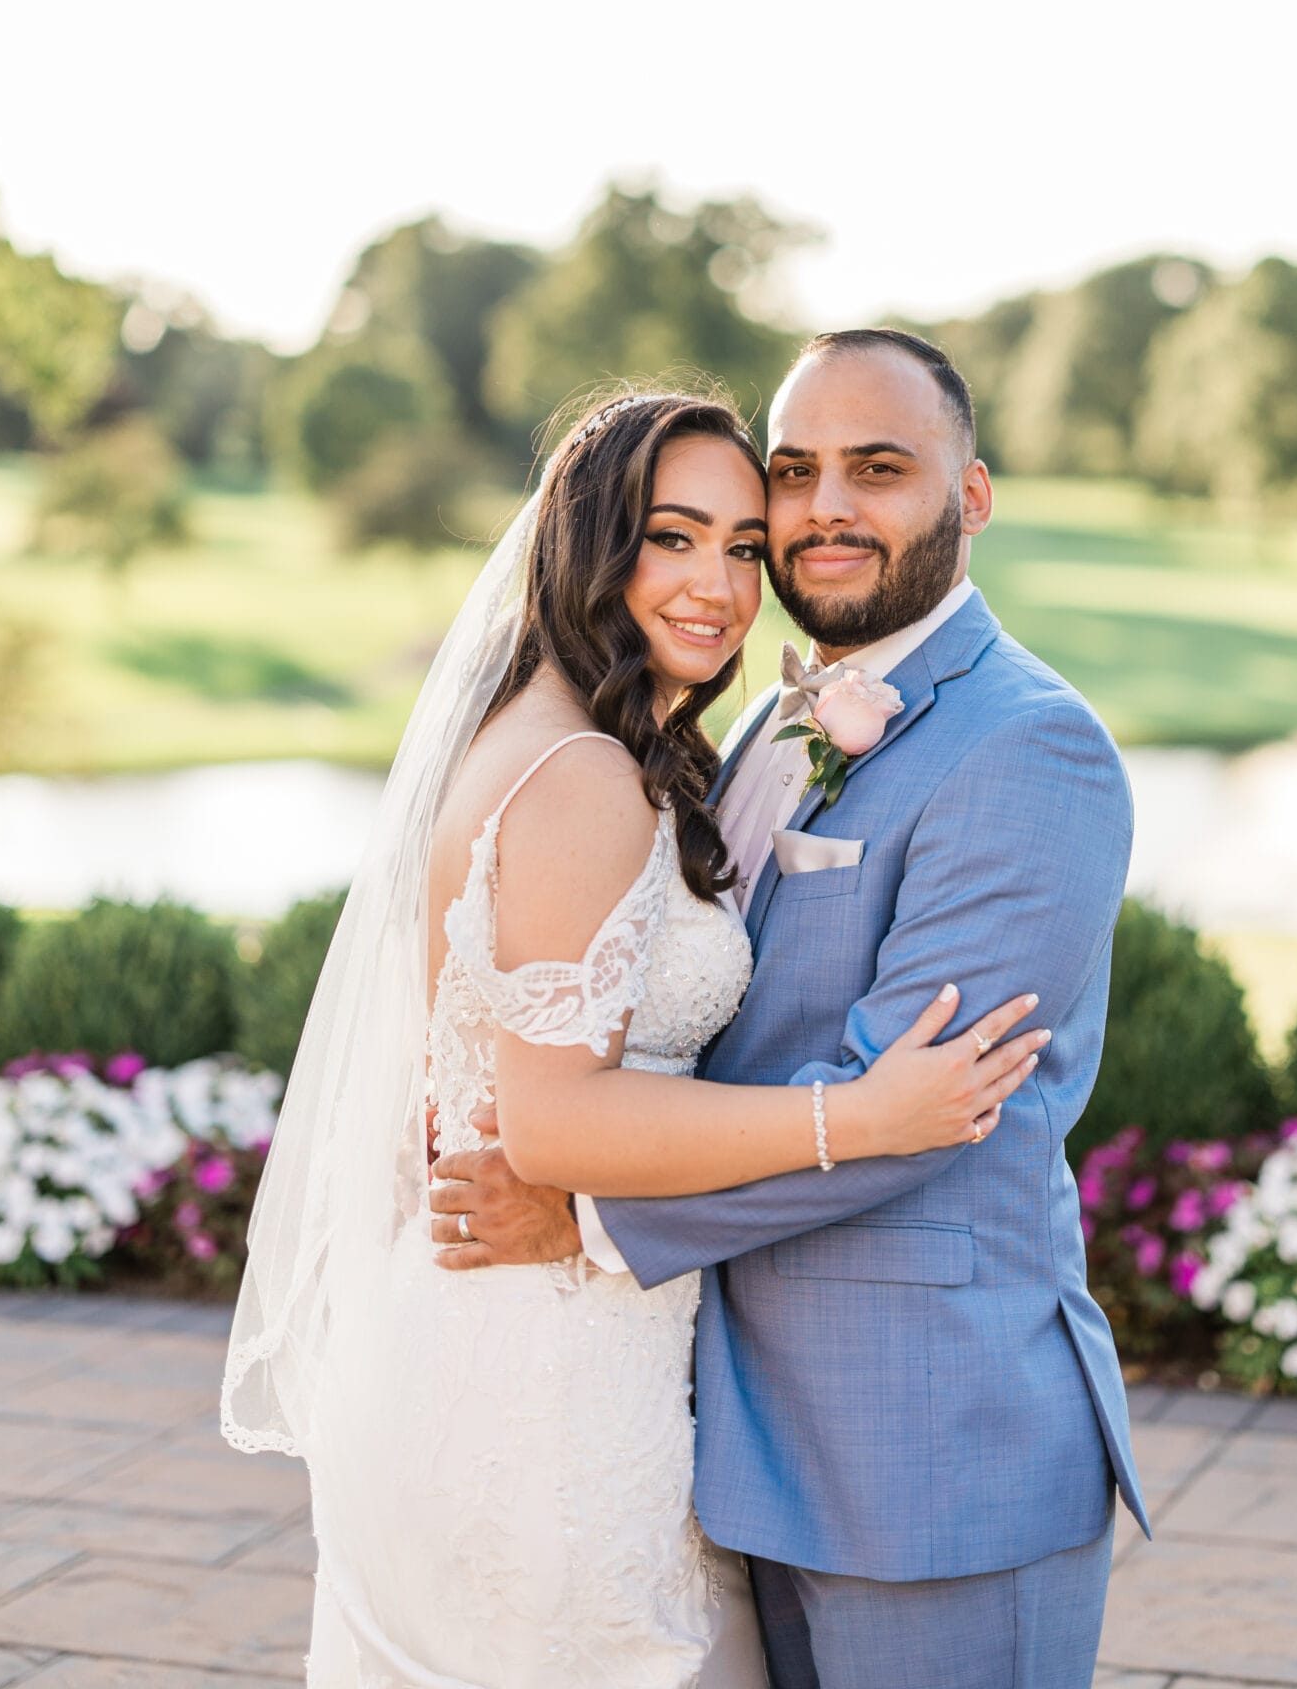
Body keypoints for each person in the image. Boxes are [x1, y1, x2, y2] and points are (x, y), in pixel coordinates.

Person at [220, 387, 1042, 1689]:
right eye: (673, 537)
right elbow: (551, 1124)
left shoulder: (547, 740)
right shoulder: (583, 780)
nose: (717, 584)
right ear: (591, 542)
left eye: (741, 547)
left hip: (489, 1340)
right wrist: (862, 1117)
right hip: (541, 1383)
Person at [434, 332, 1148, 1689]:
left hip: (935, 1449)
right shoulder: (759, 724)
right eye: (798, 473)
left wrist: (584, 1209)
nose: (825, 509)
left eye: (878, 470)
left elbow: (922, 1107)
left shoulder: (1027, 745)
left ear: (972, 496)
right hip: (733, 1432)